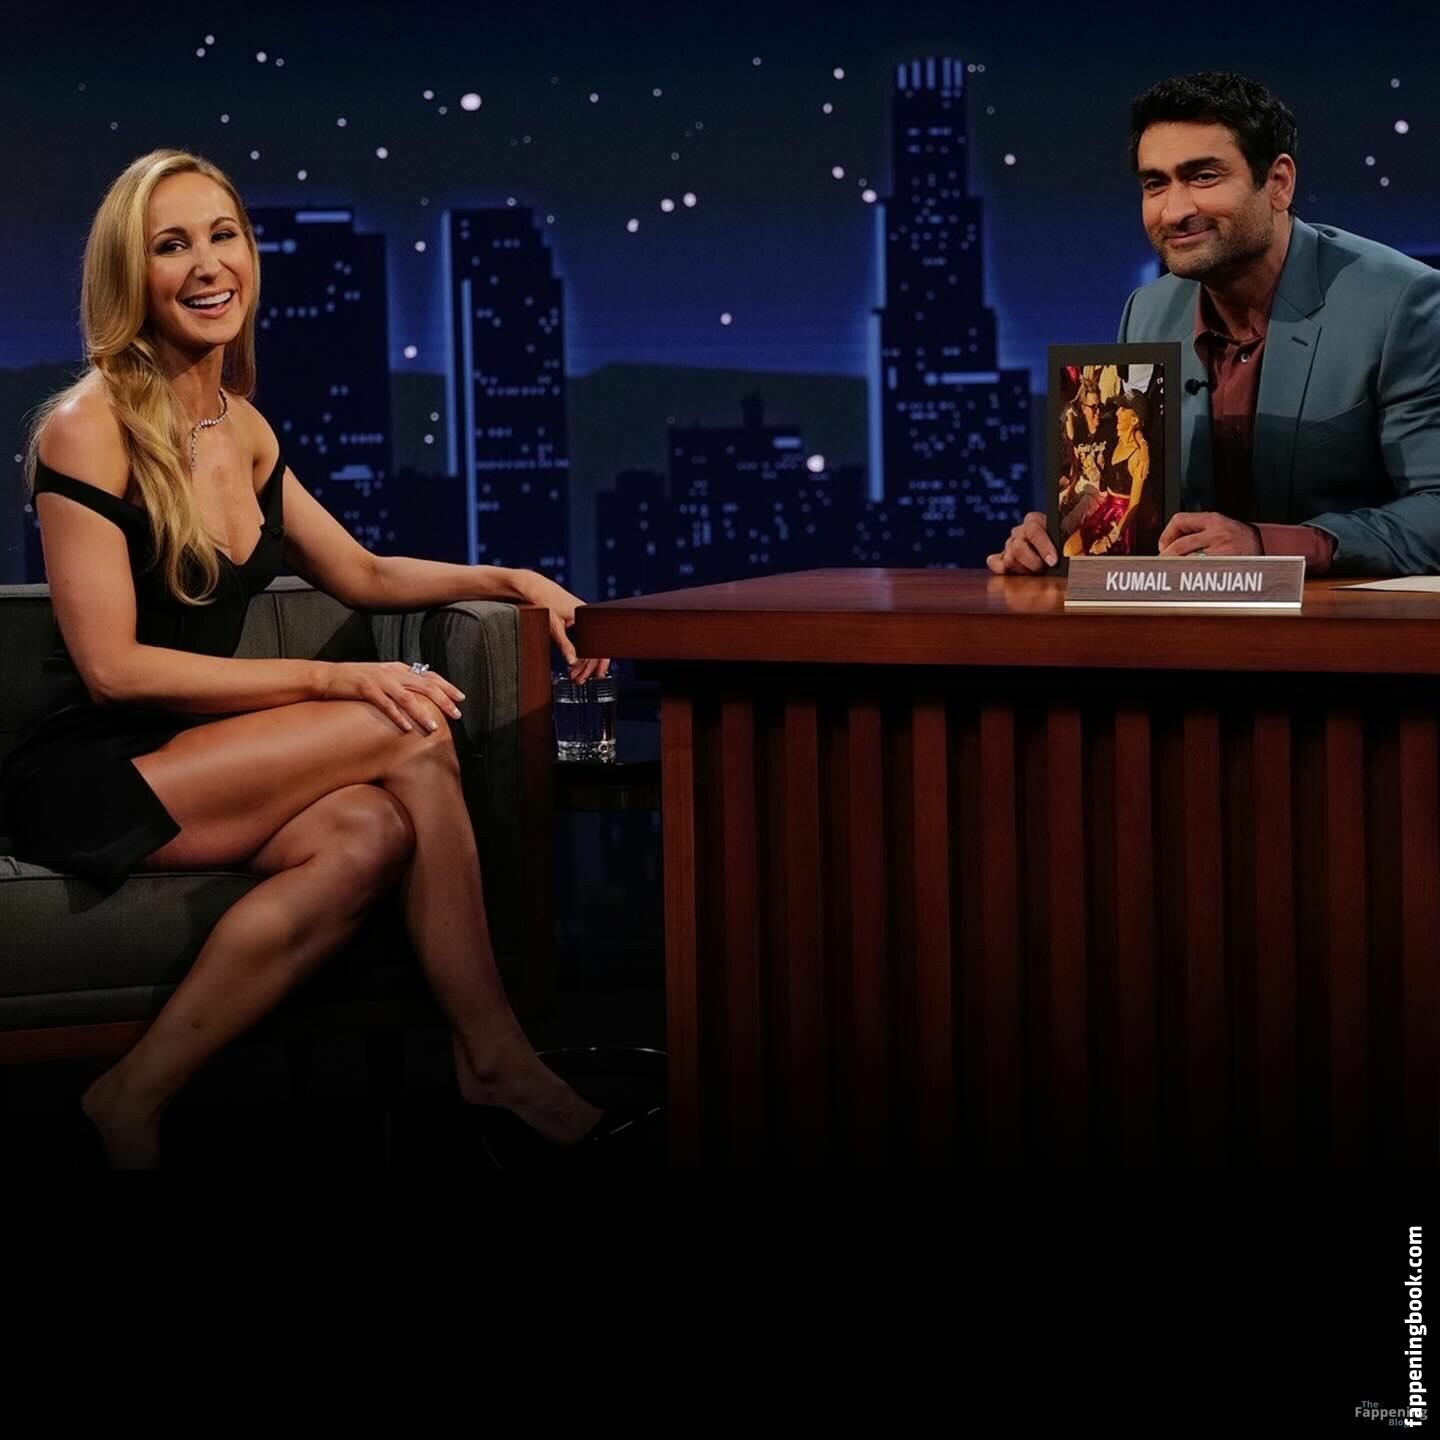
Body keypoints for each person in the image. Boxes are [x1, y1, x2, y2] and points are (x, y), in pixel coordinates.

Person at [0, 149, 627, 1168]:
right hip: (98, 773)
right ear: (129, 275)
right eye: (171, 246)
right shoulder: (88, 428)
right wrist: (335, 677)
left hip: (206, 756)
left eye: (223, 236)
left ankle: (129, 1094)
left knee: (369, 833)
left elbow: (362, 573)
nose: (208, 266)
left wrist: (514, 578)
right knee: (403, 724)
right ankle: (497, 1058)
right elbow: (114, 670)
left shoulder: (241, 428)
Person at [989, 70, 1440, 576]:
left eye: (1203, 177)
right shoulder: (1147, 312)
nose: (1174, 211)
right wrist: (1065, 536)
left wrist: (1268, 546)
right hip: (1192, 620)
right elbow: (1138, 507)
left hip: (1351, 620)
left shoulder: (1403, 304)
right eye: (1155, 184)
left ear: (1278, 183)